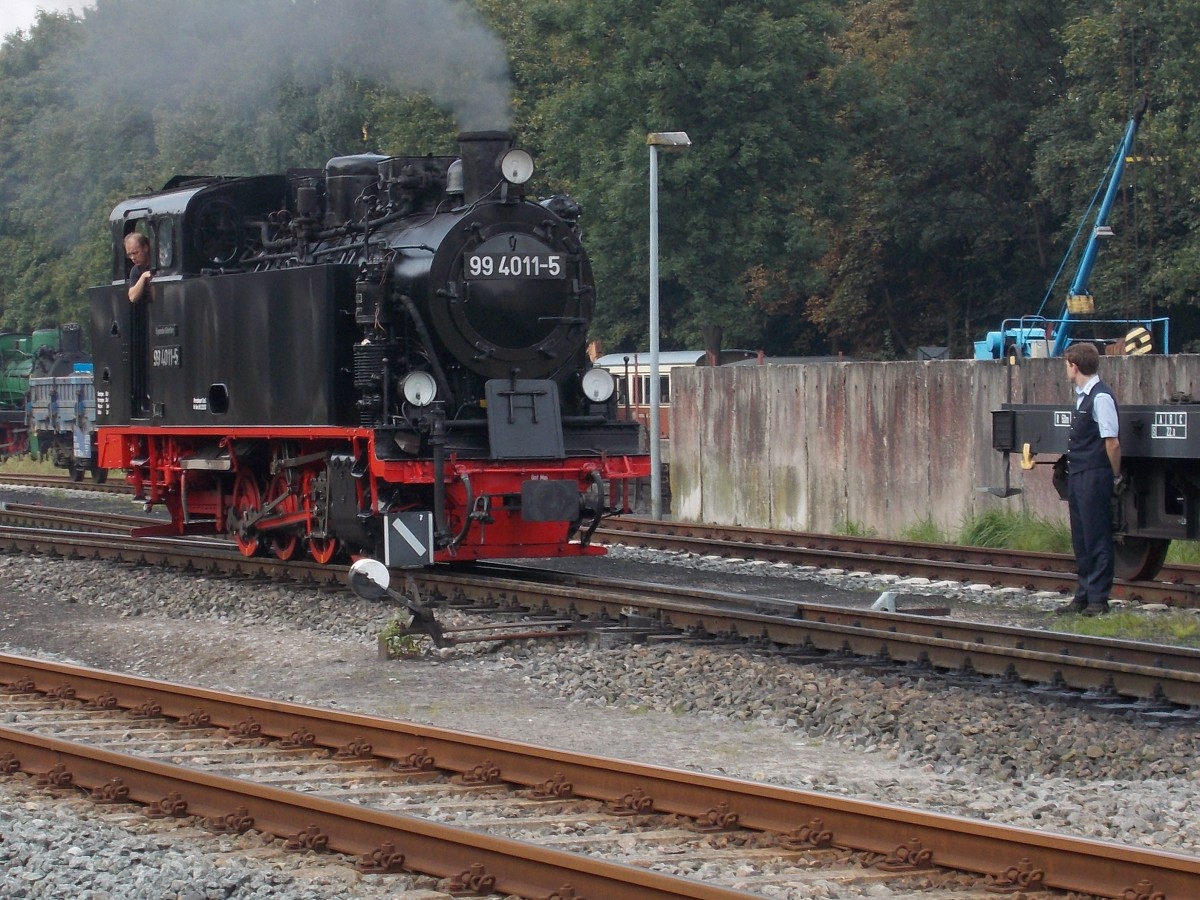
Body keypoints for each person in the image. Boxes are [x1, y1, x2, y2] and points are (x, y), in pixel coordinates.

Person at [1059, 342, 1122, 616]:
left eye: (1066, 365)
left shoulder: (1100, 397)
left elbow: (1112, 442)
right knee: (1082, 537)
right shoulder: (1082, 396)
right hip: (1079, 474)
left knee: (1096, 536)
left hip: (1095, 474)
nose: (1066, 370)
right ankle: (1083, 594)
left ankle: (1098, 599)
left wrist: (1115, 475)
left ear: (1075, 365)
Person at [124, 232, 153, 302]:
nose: (133, 258)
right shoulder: (135, 270)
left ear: (145, 248)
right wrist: (143, 277)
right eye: (129, 255)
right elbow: (132, 297)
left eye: (135, 253)